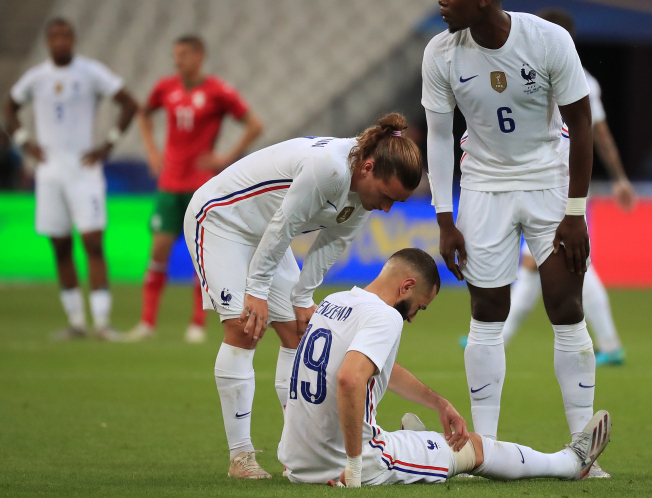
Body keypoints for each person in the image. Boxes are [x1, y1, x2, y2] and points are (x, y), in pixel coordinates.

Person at [185, 113, 422, 479]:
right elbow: (286, 226)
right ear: (368, 167)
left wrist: (303, 299)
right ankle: (241, 457)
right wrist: (257, 291)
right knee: (243, 328)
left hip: (265, 235)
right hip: (222, 220)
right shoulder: (328, 169)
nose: (387, 207)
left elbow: (332, 242)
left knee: (298, 334)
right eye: (387, 196)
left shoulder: (363, 192)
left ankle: (299, 455)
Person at [422, 0, 603, 477]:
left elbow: (581, 124)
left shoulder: (547, 39)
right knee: (486, 312)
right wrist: (445, 217)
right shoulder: (440, 53)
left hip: (548, 179)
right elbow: (439, 136)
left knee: (567, 307)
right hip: (483, 187)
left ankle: (583, 452)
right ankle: (486, 448)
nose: (440, 3)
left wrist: (576, 212)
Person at [278, 248, 612, 486]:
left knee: (417, 440)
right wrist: (353, 466)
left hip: (297, 464)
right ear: (406, 286)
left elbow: (372, 368)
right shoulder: (384, 316)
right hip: (355, 464)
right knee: (475, 448)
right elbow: (351, 378)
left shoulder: (334, 302)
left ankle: (423, 448)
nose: (411, 317)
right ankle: (572, 463)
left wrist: (439, 403)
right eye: (418, 307)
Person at [495, 8, 633, 367]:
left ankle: (608, 343)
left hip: (562, 184)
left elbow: (597, 132)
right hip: (535, 180)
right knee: (539, 265)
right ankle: (499, 336)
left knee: (573, 262)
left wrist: (618, 178)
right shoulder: (526, 74)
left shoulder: (581, 80)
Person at [3, 18, 138, 340]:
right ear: (49, 41)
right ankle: (76, 322)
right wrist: (24, 142)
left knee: (92, 242)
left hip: (84, 170)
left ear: (73, 39)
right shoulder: (36, 77)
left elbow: (129, 104)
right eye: (54, 36)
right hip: (49, 172)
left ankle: (103, 323)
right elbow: (9, 108)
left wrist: (108, 144)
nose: (60, 41)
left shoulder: (90, 72)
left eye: (65, 35)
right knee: (60, 246)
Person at [125, 35, 263, 344]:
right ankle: (147, 322)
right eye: (176, 55)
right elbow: (143, 114)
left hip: (201, 186)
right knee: (158, 250)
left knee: (199, 256)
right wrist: (152, 151)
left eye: (184, 54)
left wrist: (226, 157)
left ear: (200, 56)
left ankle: (197, 324)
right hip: (169, 183)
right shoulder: (165, 87)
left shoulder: (218, 91)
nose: (178, 60)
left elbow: (255, 125)